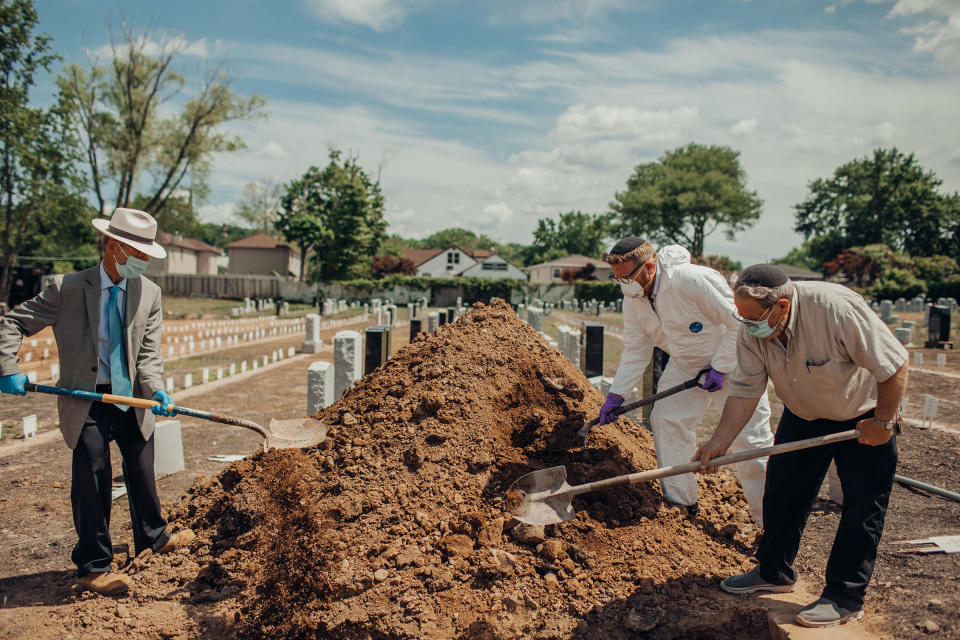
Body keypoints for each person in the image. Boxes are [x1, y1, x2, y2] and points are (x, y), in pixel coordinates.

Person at [694, 264, 908, 628]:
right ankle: (773, 571)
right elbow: (746, 389)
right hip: (804, 412)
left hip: (862, 416)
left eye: (753, 318)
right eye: (741, 317)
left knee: (862, 506)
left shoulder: (836, 309)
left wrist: (883, 423)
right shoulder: (752, 328)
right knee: (782, 492)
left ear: (782, 306)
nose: (747, 325)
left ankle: (845, 596)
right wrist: (719, 442)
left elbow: (894, 366)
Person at [0, 208, 195, 596]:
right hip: (84, 398)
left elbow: (147, 356)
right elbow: (11, 322)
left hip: (130, 398)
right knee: (92, 473)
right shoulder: (68, 288)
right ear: (111, 246)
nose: (141, 262)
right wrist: (7, 366)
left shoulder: (149, 294)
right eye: (134, 253)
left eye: (145, 255)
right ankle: (93, 565)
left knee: (142, 469)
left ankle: (153, 538)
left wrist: (155, 389)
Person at [597, 237, 774, 524]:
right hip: (685, 364)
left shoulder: (692, 280)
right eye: (617, 280)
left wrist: (719, 366)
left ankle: (771, 524)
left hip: (734, 362)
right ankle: (681, 502)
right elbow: (635, 347)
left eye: (627, 278)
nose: (623, 285)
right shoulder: (634, 299)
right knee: (666, 419)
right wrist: (617, 394)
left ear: (650, 267)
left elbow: (738, 324)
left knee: (750, 441)